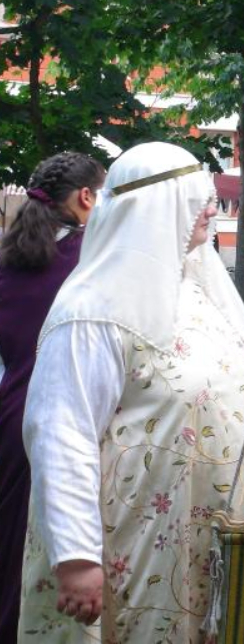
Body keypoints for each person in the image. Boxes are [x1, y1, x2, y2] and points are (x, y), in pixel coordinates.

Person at [19, 142, 244, 642]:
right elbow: (60, 435)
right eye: (195, 198)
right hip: (137, 540)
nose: (210, 210)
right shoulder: (93, 309)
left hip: (219, 537)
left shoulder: (198, 292)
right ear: (154, 208)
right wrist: (76, 556)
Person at [0, 152, 106, 642]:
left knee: (8, 541)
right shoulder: (93, 262)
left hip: (10, 411)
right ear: (86, 197)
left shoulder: (8, 262)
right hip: (65, 412)